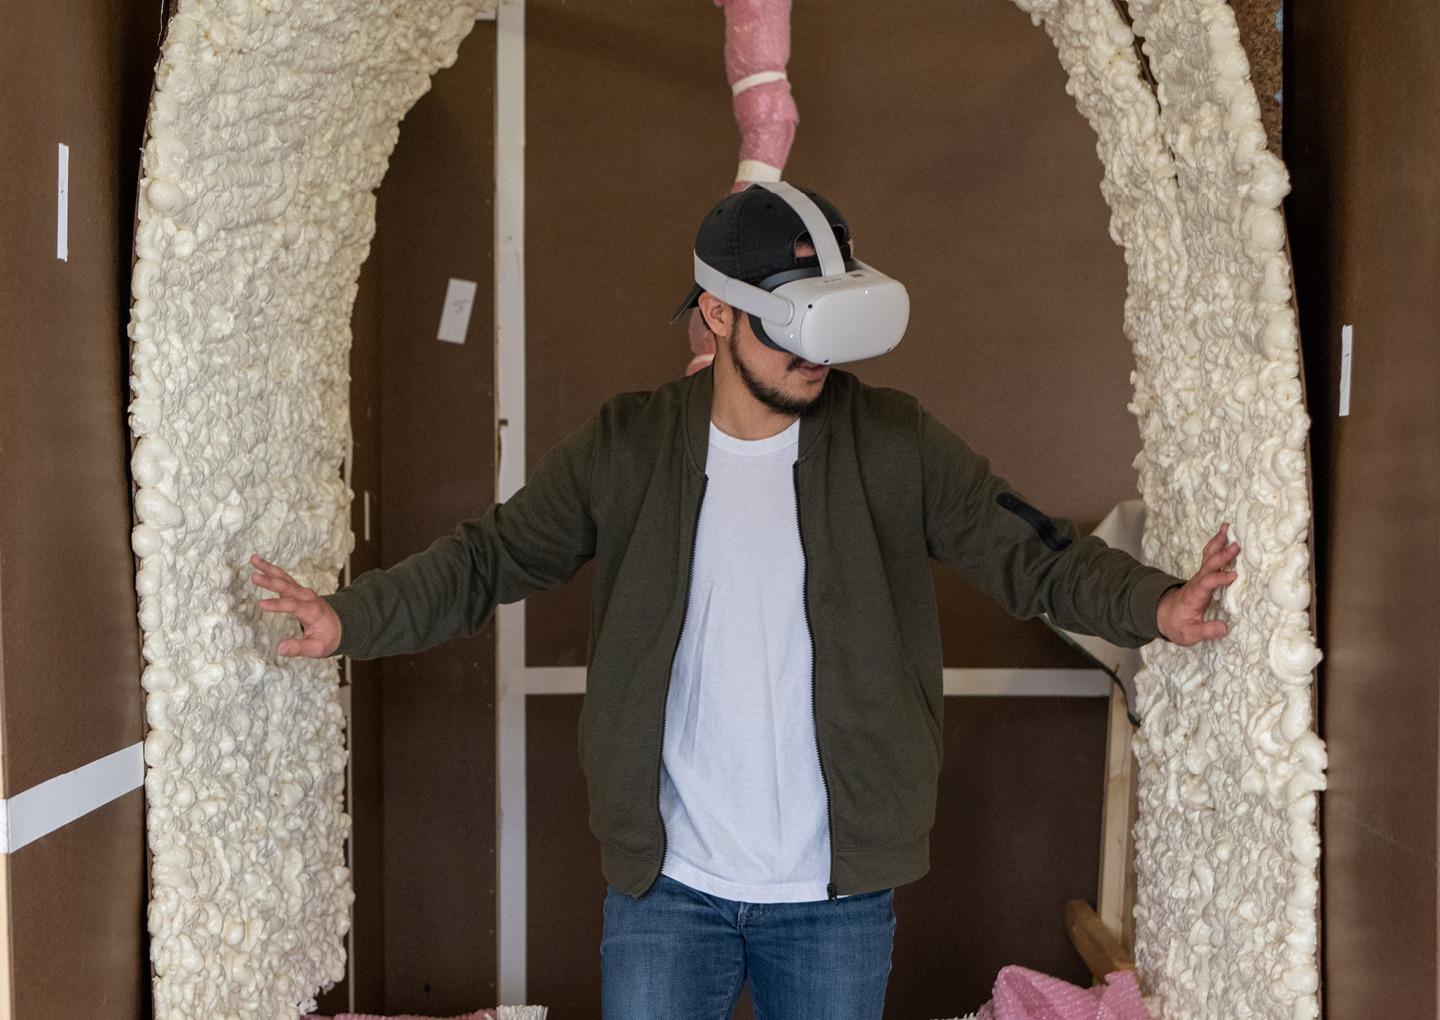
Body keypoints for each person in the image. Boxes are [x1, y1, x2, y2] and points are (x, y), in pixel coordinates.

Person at [250, 183, 1240, 1019]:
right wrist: (348, 618)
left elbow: (1037, 552)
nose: (815, 354)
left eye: (828, 321)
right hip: (667, 889)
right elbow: (488, 560)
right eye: (788, 324)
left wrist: (1158, 605)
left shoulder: (893, 443)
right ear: (717, 314)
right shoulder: (630, 445)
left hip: (834, 896)